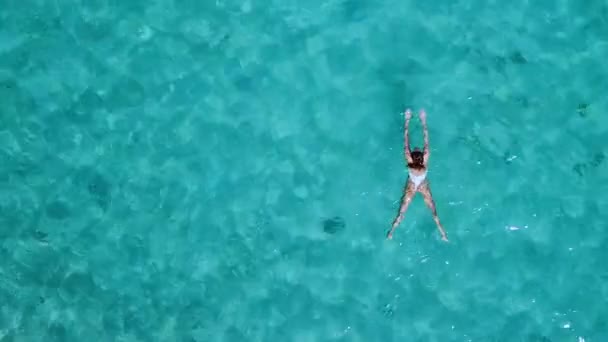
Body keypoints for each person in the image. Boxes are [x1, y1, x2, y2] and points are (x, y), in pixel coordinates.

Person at [387, 109, 448, 241]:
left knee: (402, 211)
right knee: (433, 211)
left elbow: (405, 141)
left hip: (412, 185)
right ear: (421, 156)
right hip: (423, 185)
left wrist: (407, 120)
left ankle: (391, 232)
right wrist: (423, 120)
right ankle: (443, 234)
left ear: (413, 156)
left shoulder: (409, 160)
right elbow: (426, 141)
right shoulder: (425, 161)